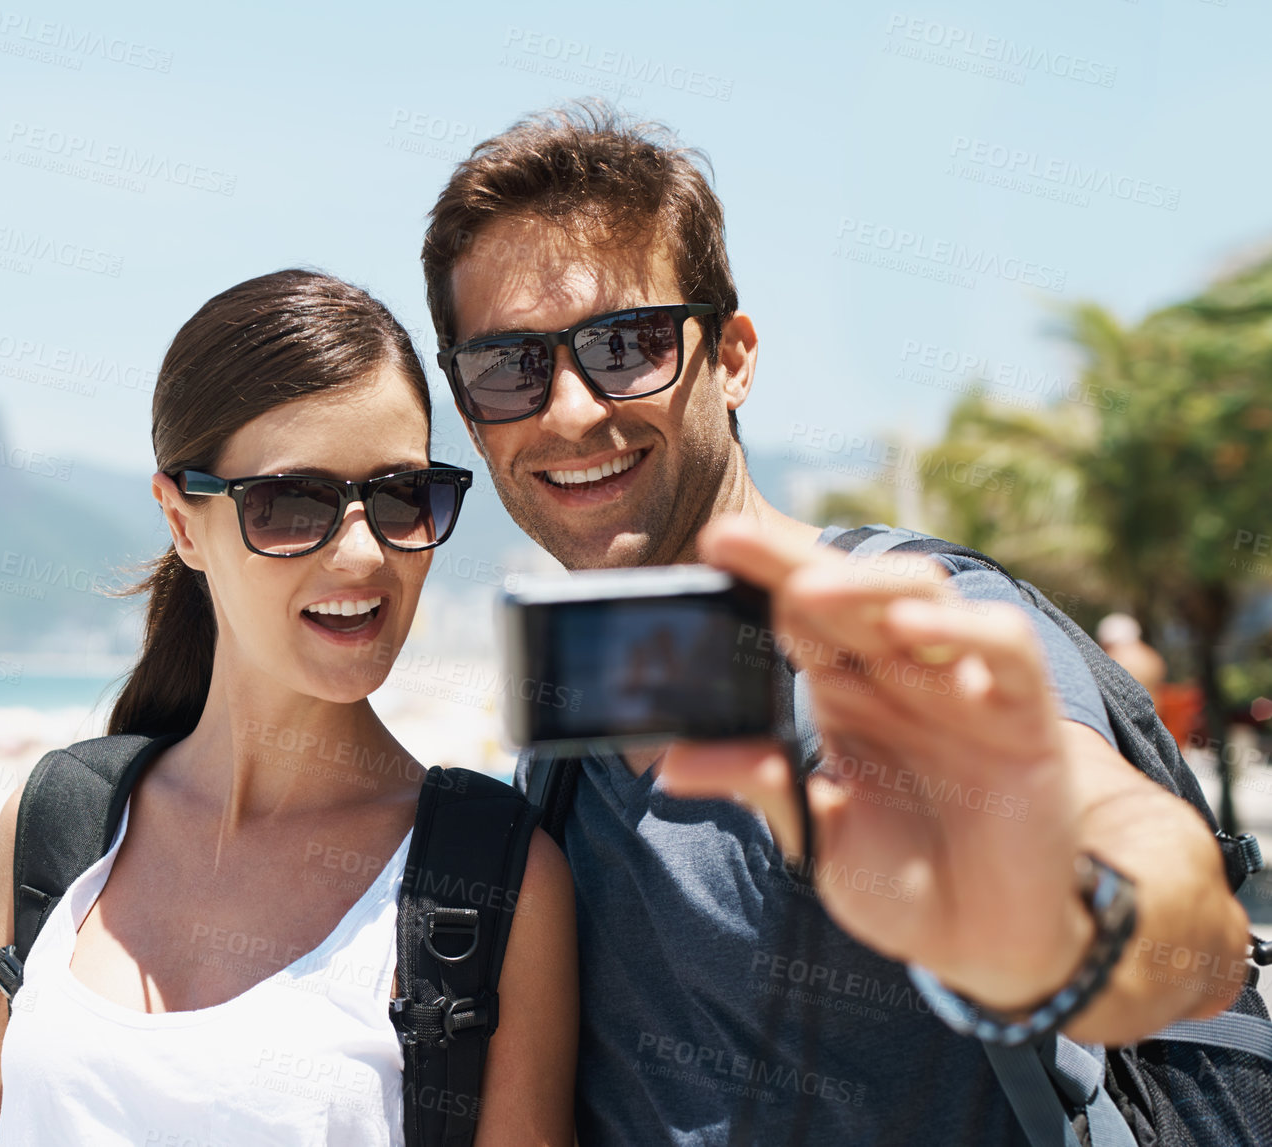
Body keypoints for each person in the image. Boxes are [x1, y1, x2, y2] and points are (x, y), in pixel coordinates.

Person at [421, 104, 1249, 1145]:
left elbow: (1179, 922)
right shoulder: (570, 732)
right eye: (509, 367)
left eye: (625, 345)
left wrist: (1050, 936)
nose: (571, 410)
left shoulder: (904, 631)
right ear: (469, 411)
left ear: (732, 356)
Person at [0, 270, 578, 1147]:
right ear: (181, 521)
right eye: (292, 504)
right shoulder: (58, 824)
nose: (363, 552)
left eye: (402, 496)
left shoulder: (494, 881)